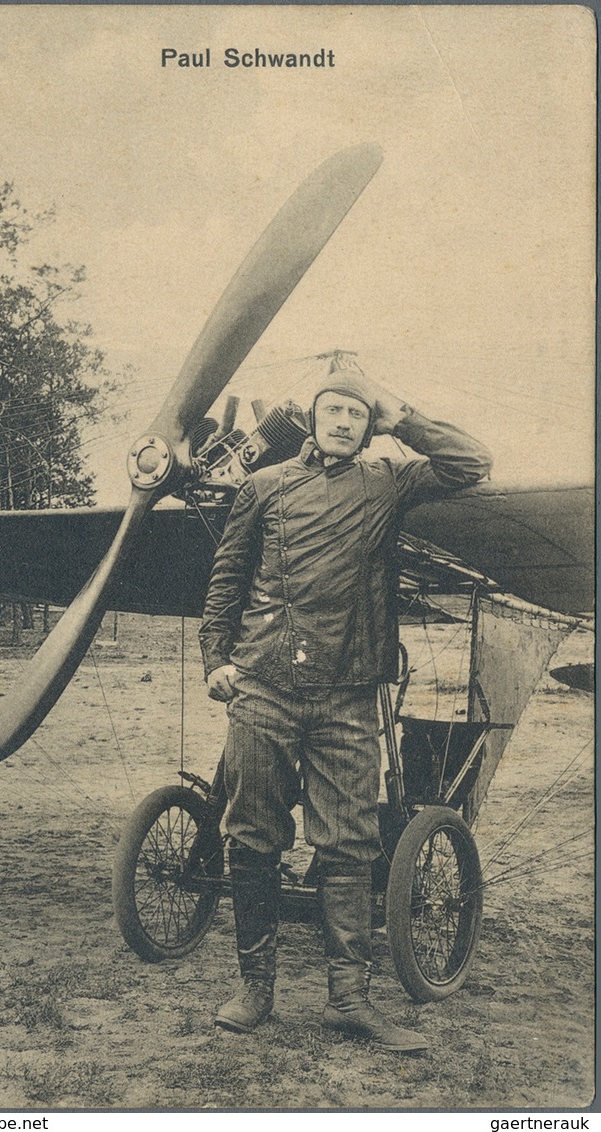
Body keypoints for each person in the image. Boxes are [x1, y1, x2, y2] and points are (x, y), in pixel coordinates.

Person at [198, 363, 492, 1052]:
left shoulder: (389, 483)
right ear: (312, 417)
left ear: (368, 426)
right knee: (252, 836)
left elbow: (470, 461)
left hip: (350, 696)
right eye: (332, 410)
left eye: (356, 415)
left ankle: (349, 999)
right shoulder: (264, 487)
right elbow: (226, 579)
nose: (341, 422)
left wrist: (403, 416)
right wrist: (217, 660)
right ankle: (255, 990)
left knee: (350, 843)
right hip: (264, 688)